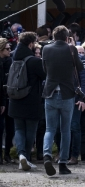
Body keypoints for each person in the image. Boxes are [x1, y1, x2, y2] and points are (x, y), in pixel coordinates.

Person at [41, 25, 84, 176]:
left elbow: (45, 69)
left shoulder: (46, 49)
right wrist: (73, 47)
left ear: (53, 37)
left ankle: (46, 154)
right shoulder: (71, 49)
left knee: (49, 129)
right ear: (67, 37)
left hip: (50, 92)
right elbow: (80, 68)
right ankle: (63, 164)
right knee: (66, 130)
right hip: (67, 94)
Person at [9, 32, 46, 171]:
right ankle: (27, 158)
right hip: (32, 101)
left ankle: (21, 156)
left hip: (15, 99)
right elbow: (45, 75)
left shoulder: (14, 57)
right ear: (30, 44)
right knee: (31, 130)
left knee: (19, 129)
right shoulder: (34, 61)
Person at [68, 44, 85, 165]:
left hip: (77, 98)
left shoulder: (82, 60)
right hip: (64, 97)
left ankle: (74, 155)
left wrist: (83, 98)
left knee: (74, 126)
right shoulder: (63, 58)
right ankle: (63, 153)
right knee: (60, 127)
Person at [0, 37, 14, 164]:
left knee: (10, 128)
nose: (10, 51)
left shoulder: (10, 61)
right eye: (8, 48)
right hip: (3, 99)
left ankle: (7, 153)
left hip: (8, 98)